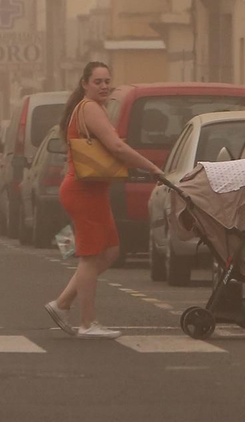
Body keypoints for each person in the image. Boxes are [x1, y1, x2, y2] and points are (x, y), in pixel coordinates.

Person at [44, 61, 160, 340]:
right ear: (85, 84)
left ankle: (61, 304)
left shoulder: (93, 108)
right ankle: (87, 323)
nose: (104, 86)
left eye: (108, 81)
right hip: (82, 192)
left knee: (110, 252)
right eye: (98, 81)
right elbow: (117, 147)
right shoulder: (90, 108)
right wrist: (153, 167)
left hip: (94, 190)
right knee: (90, 256)